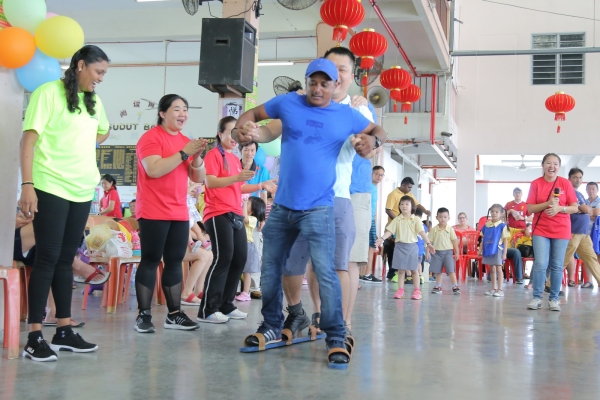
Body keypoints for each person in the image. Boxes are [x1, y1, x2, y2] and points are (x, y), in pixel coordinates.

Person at [232, 57, 385, 367]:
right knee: (273, 270)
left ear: (335, 85)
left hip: (319, 207)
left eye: (324, 83)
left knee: (327, 273)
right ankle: (272, 325)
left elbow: (377, 130)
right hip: (283, 206)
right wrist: (242, 128)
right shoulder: (288, 103)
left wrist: (373, 141)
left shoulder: (345, 115)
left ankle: (336, 335)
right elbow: (256, 115)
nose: (317, 88)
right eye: (312, 82)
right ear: (306, 82)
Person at [18, 45, 111, 362]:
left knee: (65, 257)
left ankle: (63, 330)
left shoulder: (94, 101)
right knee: (47, 257)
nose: (100, 79)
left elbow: (103, 132)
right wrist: (27, 185)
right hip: (50, 185)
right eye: (98, 72)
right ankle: (33, 336)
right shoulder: (47, 93)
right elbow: (28, 139)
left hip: (82, 189)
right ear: (80, 65)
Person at [134, 94, 208, 333]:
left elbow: (198, 178)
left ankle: (174, 314)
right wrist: (185, 153)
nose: (182, 114)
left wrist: (197, 159)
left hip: (179, 212)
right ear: (163, 113)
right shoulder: (151, 138)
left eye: (185, 109)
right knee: (151, 261)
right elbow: (154, 170)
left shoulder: (186, 141)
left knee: (175, 262)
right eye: (177, 109)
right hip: (153, 210)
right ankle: (143, 316)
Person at [197, 117, 276, 324]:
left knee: (239, 258)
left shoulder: (233, 158)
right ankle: (208, 308)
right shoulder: (214, 155)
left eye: (238, 132)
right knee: (223, 258)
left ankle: (226, 304)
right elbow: (211, 181)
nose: (235, 137)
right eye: (231, 132)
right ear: (220, 134)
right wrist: (237, 178)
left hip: (235, 213)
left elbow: (238, 187)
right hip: (217, 213)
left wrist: (261, 185)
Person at [526, 153, 578, 312]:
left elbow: (574, 207)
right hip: (541, 229)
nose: (552, 166)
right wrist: (548, 204)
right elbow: (530, 209)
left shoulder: (565, 183)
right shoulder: (536, 184)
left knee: (556, 265)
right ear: (543, 165)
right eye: (548, 163)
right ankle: (536, 298)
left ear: (559, 167)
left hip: (561, 229)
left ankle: (554, 299)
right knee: (541, 264)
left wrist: (559, 208)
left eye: (555, 164)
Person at [544, 168, 600, 291]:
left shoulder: (579, 194)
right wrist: (583, 210)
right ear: (569, 179)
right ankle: (549, 285)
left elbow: (586, 211)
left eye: (580, 177)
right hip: (573, 232)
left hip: (583, 233)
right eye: (575, 177)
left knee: (592, 259)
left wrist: (582, 210)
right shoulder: (571, 192)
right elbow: (589, 211)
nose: (578, 179)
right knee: (564, 259)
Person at [376, 196, 434, 300]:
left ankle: (417, 291)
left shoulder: (416, 219)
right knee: (401, 270)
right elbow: (390, 231)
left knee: (414, 270)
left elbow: (422, 232)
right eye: (402, 204)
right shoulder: (397, 219)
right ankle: (400, 290)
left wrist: (428, 243)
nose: (404, 206)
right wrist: (382, 238)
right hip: (399, 247)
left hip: (412, 247)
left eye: (407, 204)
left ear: (412, 207)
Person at [384, 177, 430, 279]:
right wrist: (399, 221)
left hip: (407, 227)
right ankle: (392, 272)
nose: (410, 190)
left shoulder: (408, 195)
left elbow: (417, 204)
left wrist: (426, 211)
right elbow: (388, 210)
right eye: (409, 187)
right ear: (403, 185)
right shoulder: (393, 194)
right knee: (394, 249)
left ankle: (408, 276)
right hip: (395, 225)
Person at [236, 196, 266, 301]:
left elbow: (245, 218)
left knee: (247, 271)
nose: (245, 203)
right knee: (239, 269)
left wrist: (243, 203)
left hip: (248, 245)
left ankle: (246, 292)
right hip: (241, 245)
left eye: (248, 203)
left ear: (253, 210)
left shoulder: (253, 219)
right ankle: (238, 290)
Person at [428, 207, 461, 295]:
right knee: (438, 271)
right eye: (440, 217)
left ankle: (455, 286)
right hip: (436, 253)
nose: (443, 219)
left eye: (445, 217)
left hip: (448, 253)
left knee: (451, 270)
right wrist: (427, 252)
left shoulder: (450, 229)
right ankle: (438, 286)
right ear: (437, 217)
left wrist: (457, 252)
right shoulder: (433, 230)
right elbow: (429, 242)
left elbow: (454, 241)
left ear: (448, 218)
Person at [479, 204, 510, 297]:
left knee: (499, 269)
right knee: (491, 269)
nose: (494, 213)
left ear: (501, 214)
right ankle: (493, 288)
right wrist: (480, 250)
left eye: (496, 212)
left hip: (498, 250)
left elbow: (505, 240)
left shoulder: (502, 226)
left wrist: (505, 253)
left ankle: (500, 289)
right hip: (488, 250)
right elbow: (483, 239)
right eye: (492, 211)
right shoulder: (486, 225)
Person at [361, 165, 385, 283]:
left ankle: (366, 273)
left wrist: (374, 217)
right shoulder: (367, 186)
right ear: (371, 173)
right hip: (365, 219)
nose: (379, 177)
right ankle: (366, 274)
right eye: (377, 174)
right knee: (368, 247)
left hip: (371, 219)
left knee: (371, 246)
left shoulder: (375, 188)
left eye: (381, 175)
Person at [180, 222, 213, 305]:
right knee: (203, 255)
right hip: (172, 244)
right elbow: (184, 227)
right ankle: (186, 293)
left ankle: (198, 290)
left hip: (184, 242)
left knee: (210, 254)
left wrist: (201, 237)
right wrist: (201, 237)